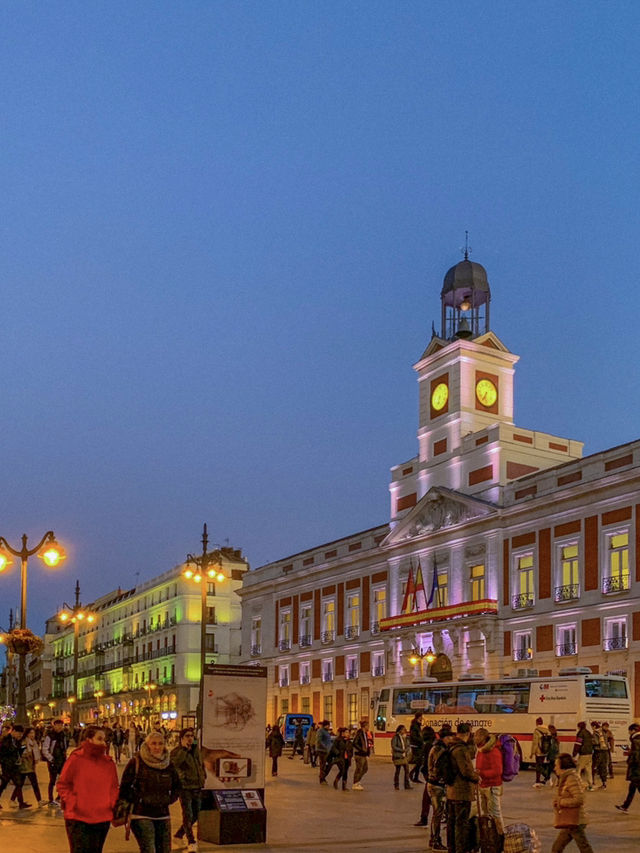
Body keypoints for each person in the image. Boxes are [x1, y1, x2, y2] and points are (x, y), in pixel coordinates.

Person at [57, 725, 119, 853]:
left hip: (102, 816)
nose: (103, 743)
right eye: (99, 739)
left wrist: (111, 803)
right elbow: (63, 784)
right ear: (89, 739)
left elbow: (113, 787)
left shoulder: (108, 763)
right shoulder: (76, 759)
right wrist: (73, 801)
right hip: (78, 817)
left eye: (104, 740)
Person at [118, 731, 181, 853]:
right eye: (153, 743)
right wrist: (138, 799)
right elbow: (125, 787)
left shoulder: (168, 764)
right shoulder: (136, 762)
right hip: (141, 813)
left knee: (165, 849)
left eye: (160, 743)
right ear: (147, 745)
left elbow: (177, 785)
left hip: (162, 813)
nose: (157, 747)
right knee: (149, 849)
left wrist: (168, 799)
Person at [445, 723, 480, 853]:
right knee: (461, 824)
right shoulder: (461, 749)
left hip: (451, 791)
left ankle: (451, 848)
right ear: (468, 733)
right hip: (461, 792)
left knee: (452, 822)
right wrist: (476, 777)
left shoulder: (451, 746)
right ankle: (460, 849)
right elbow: (465, 771)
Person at [170, 728, 205, 853]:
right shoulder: (177, 752)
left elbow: (200, 765)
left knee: (196, 813)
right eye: (187, 736)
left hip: (197, 786)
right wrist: (184, 750)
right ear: (181, 738)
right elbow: (175, 764)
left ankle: (179, 834)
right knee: (188, 814)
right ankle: (191, 840)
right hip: (185, 787)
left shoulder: (196, 750)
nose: (190, 738)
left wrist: (203, 776)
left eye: (192, 736)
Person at [551, 753, 594, 853]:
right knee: (557, 848)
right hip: (571, 819)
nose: (554, 768)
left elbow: (579, 799)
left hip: (575, 820)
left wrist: (561, 801)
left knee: (584, 848)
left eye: (556, 765)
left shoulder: (571, 778)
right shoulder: (567, 777)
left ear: (563, 766)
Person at [474, 727, 505, 846]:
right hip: (483, 785)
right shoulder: (481, 750)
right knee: (485, 814)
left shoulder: (493, 751)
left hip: (492, 786)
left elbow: (498, 771)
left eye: (477, 736)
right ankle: (490, 838)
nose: (475, 738)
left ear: (483, 737)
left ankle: (500, 838)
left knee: (495, 813)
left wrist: (481, 773)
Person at [425, 727, 450, 851]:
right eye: (449, 737)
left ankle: (433, 839)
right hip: (437, 785)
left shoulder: (435, 748)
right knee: (437, 814)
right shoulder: (441, 750)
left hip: (432, 783)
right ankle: (435, 840)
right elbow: (441, 768)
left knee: (437, 813)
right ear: (445, 738)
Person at [0, 724, 31, 809]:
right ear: (13, 731)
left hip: (14, 766)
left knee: (18, 784)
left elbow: (17, 751)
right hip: (7, 766)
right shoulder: (6, 740)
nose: (19, 735)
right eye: (19, 733)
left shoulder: (16, 740)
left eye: (21, 734)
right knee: (4, 785)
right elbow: (4, 753)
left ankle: (21, 802)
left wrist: (22, 748)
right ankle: (20, 803)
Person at [11, 726, 44, 806]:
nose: (32, 735)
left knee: (20, 785)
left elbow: (35, 753)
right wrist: (27, 755)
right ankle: (39, 801)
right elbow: (21, 753)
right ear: (27, 734)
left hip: (30, 766)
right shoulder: (24, 742)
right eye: (30, 733)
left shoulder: (33, 742)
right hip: (25, 766)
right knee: (33, 784)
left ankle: (12, 800)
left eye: (33, 733)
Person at [42, 718, 68, 805]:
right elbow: (45, 749)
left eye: (61, 725)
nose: (60, 727)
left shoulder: (63, 735)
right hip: (53, 761)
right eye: (58, 725)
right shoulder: (50, 736)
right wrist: (51, 759)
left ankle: (59, 797)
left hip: (62, 760)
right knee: (52, 780)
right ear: (54, 726)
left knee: (63, 780)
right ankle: (50, 798)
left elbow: (64, 747)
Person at [615, 721, 640, 813]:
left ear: (633, 730)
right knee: (632, 788)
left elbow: (636, 755)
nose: (628, 733)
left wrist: (631, 760)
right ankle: (625, 806)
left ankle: (625, 806)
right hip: (637, 769)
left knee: (633, 787)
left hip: (637, 769)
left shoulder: (636, 740)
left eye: (629, 731)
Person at [572, 721, 594, 791]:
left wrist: (574, 753)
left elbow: (578, 744)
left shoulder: (580, 734)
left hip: (583, 754)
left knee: (578, 770)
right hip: (590, 753)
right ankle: (590, 785)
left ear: (579, 727)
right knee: (588, 770)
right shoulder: (588, 733)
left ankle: (579, 785)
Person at [530, 716, 550, 787]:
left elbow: (535, 743)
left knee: (538, 766)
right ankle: (545, 777)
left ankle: (538, 780)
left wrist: (532, 753)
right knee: (541, 765)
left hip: (539, 751)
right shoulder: (547, 730)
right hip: (545, 751)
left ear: (537, 722)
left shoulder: (537, 730)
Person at [391, 724, 412, 790]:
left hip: (404, 757)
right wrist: (402, 750)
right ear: (400, 730)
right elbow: (394, 746)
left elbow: (407, 745)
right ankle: (396, 785)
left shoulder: (405, 737)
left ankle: (407, 785)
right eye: (403, 729)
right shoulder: (396, 737)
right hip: (398, 756)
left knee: (407, 770)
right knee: (398, 771)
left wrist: (407, 749)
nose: (405, 731)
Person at [352, 720, 370, 790]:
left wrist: (367, 752)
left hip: (364, 754)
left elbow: (366, 743)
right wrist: (361, 749)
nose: (368, 727)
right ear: (364, 726)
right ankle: (355, 783)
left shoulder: (365, 734)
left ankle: (358, 780)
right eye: (368, 726)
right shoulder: (359, 733)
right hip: (359, 754)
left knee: (365, 768)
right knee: (359, 768)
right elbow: (355, 743)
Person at [409, 711, 424, 783]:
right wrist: (421, 740)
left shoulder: (417, 725)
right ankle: (413, 774)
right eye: (421, 716)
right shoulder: (414, 725)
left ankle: (415, 776)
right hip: (416, 745)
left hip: (418, 745)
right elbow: (414, 736)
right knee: (419, 761)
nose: (422, 718)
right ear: (418, 717)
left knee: (420, 761)